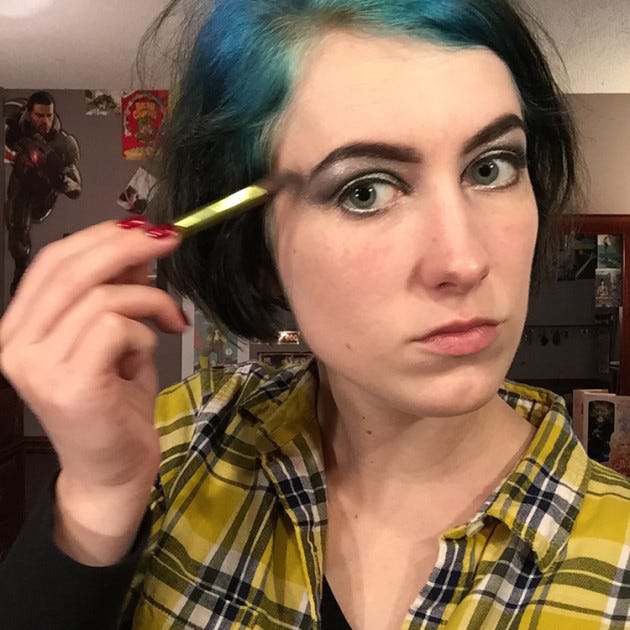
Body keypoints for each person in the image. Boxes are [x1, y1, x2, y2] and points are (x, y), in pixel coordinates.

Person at [2, 1, 630, 629]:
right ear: (258, 247)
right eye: (366, 191)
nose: (464, 261)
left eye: (491, 168)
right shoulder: (174, 447)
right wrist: (101, 498)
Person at [5, 91, 82, 295]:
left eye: (49, 115)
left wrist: (60, 181)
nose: (45, 121)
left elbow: (76, 188)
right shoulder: (18, 124)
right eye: (39, 115)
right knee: (17, 230)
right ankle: (21, 268)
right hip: (21, 190)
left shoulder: (63, 144)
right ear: (29, 114)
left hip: (44, 196)